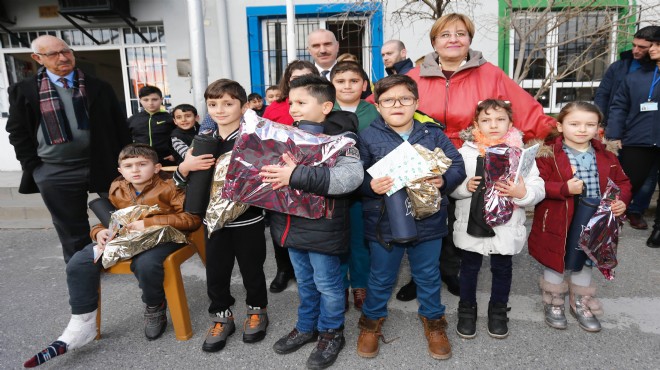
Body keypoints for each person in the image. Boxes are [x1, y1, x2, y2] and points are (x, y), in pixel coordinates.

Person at [397, 13, 556, 302]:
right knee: (425, 219)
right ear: (434, 42)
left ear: (470, 39)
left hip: (471, 155)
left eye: (460, 33)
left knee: (459, 215)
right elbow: (385, 103)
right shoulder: (414, 76)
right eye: (445, 35)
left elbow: (523, 107)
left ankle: (451, 270)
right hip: (426, 155)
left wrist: (562, 131)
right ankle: (421, 277)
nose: (453, 39)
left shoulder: (490, 74)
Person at [22, 143, 201, 368]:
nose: (135, 170)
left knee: (146, 264)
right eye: (128, 166)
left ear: (156, 168)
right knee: (80, 261)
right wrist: (100, 232)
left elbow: (191, 220)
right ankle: (83, 322)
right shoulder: (118, 187)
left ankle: (154, 306)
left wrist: (148, 223)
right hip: (124, 239)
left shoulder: (171, 186)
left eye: (142, 164)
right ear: (120, 170)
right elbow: (109, 219)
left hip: (164, 238)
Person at [356, 74, 466, 360]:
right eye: (388, 100)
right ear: (378, 106)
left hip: (428, 220)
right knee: (380, 276)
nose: (397, 105)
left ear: (416, 102)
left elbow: (456, 164)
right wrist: (370, 186)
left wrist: (444, 180)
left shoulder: (432, 133)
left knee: (428, 275)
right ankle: (371, 322)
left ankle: (434, 322)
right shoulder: (367, 136)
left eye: (405, 99)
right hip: (384, 222)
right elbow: (354, 176)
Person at [262, 75, 363, 369]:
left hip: (323, 229)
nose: (293, 108)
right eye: (291, 102)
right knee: (305, 283)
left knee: (329, 286)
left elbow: (350, 179)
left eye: (301, 102)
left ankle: (331, 332)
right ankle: (307, 327)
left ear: (326, 106)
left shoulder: (342, 140)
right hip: (290, 226)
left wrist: (295, 175)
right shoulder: (283, 136)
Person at [6, 35, 131, 264]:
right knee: (71, 228)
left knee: (121, 216)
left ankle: (125, 260)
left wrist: (126, 163)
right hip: (54, 171)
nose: (63, 57)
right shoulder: (24, 90)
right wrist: (34, 168)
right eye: (53, 54)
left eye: (66, 51)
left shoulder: (98, 87)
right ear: (38, 58)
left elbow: (119, 126)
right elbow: (17, 132)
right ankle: (82, 268)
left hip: (102, 164)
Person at [174, 79, 269, 352]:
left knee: (252, 269)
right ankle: (221, 317)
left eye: (228, 103)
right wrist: (185, 166)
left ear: (244, 106)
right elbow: (181, 185)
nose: (220, 109)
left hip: (247, 219)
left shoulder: (254, 138)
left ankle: (256, 311)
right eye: (213, 104)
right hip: (212, 223)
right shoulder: (202, 140)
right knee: (216, 271)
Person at [529, 102, 631, 333]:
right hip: (558, 216)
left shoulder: (607, 155)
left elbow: (623, 182)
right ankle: (554, 299)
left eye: (590, 124)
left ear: (598, 128)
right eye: (574, 124)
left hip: (596, 217)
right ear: (560, 126)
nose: (582, 129)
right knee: (556, 256)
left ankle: (580, 300)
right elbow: (539, 185)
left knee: (587, 255)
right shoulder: (548, 154)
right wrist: (564, 189)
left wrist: (620, 200)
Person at [451, 99, 544, 339]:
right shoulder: (465, 152)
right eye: (486, 120)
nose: (493, 125)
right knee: (469, 268)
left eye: (500, 119)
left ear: (510, 123)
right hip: (471, 223)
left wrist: (522, 193)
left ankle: (498, 310)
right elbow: (451, 185)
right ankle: (467, 309)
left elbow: (537, 187)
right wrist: (464, 187)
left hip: (505, 226)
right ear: (476, 124)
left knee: (502, 269)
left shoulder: (521, 154)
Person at [263, 60, 320, 294]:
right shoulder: (275, 107)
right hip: (279, 175)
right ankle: (284, 270)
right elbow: (263, 139)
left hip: (310, 176)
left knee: (309, 227)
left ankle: (311, 272)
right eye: (294, 77)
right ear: (287, 80)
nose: (300, 80)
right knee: (280, 227)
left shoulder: (321, 104)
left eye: (306, 76)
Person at [595, 25, 659, 230]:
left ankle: (635, 211)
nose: (636, 50)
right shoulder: (622, 68)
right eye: (634, 45)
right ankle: (610, 215)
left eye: (644, 46)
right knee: (625, 176)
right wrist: (606, 127)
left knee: (649, 179)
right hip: (627, 131)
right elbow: (606, 96)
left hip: (648, 131)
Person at [330, 61, 380, 311]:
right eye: (340, 81)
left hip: (365, 188)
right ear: (332, 85)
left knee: (361, 239)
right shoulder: (325, 111)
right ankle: (339, 285)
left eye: (353, 81)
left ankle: (360, 283)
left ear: (364, 84)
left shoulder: (374, 112)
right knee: (337, 239)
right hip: (334, 188)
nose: (347, 86)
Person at [127, 85, 177, 166]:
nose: (150, 103)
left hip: (167, 160)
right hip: (141, 161)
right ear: (140, 100)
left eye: (154, 99)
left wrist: (175, 155)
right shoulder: (133, 120)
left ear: (161, 99)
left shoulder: (170, 118)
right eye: (145, 100)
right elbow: (125, 139)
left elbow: (180, 137)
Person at [263, 60, 319, 126]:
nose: (302, 83)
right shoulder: (273, 109)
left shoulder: (324, 104)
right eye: (296, 79)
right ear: (288, 82)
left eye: (308, 78)